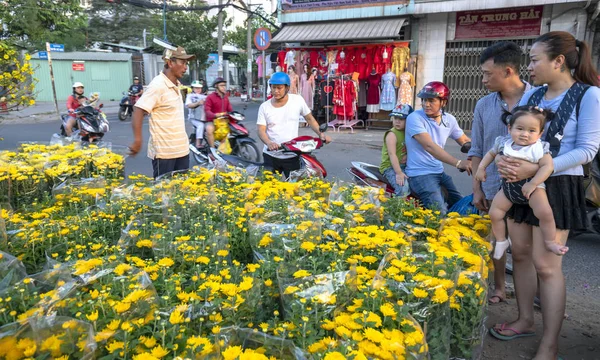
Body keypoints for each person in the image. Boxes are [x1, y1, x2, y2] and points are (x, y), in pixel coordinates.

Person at [490, 32, 600, 360]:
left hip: (559, 187)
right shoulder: (535, 93)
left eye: (536, 59)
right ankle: (524, 319)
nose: (530, 66)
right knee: (520, 255)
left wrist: (539, 171)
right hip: (520, 186)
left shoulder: (588, 95)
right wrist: (500, 158)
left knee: (547, 266)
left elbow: (588, 150)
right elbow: (514, 131)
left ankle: (550, 344)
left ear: (558, 61)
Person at [469, 41, 532, 305]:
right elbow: (476, 149)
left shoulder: (539, 99)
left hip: (531, 187)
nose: (483, 79)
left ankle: (533, 294)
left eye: (487, 73)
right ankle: (498, 287)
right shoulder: (484, 105)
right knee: (497, 241)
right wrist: (477, 188)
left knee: (527, 248)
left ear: (507, 71)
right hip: (493, 186)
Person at [476, 106, 569, 259]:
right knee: (494, 213)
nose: (525, 134)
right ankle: (501, 241)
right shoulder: (503, 143)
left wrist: (533, 184)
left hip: (533, 188)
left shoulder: (539, 148)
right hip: (508, 188)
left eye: (532, 131)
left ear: (540, 133)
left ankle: (551, 241)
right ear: (509, 128)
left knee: (545, 213)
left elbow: (548, 166)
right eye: (519, 129)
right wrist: (481, 168)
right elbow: (491, 153)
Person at [404, 81, 472, 215]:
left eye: (431, 100)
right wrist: (459, 163)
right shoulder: (415, 118)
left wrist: (482, 155)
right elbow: (430, 146)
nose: (425, 104)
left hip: (438, 172)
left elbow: (464, 140)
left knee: (461, 207)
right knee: (439, 213)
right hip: (420, 174)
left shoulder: (449, 120)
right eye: (423, 100)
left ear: (443, 102)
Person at [129, 46, 195, 179]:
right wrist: (138, 139)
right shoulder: (158, 85)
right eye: (182, 63)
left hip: (181, 150)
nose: (185, 67)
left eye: (186, 63)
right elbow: (138, 109)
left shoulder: (176, 83)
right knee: (163, 196)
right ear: (170, 63)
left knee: (181, 195)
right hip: (164, 154)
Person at [257, 72, 332, 178]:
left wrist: (321, 134)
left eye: (279, 88)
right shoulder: (264, 107)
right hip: (271, 155)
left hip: (292, 154)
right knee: (269, 190)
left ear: (287, 88)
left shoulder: (297, 100)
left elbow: (309, 119)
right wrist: (269, 143)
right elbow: (261, 130)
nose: (276, 91)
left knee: (294, 189)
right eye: (273, 87)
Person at [380, 104, 413, 197]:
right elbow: (392, 154)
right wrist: (398, 173)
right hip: (390, 167)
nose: (397, 121)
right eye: (395, 118)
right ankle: (398, 209)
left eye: (401, 119)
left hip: (403, 165)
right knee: (403, 188)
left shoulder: (408, 132)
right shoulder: (392, 134)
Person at [204, 77, 232, 148]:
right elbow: (207, 111)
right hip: (212, 120)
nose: (224, 87)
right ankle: (212, 150)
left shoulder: (225, 97)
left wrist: (234, 115)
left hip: (223, 120)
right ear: (216, 86)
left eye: (224, 85)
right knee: (209, 130)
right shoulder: (210, 97)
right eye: (221, 85)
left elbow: (230, 109)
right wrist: (215, 115)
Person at [185, 80, 207, 148]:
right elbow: (188, 105)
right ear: (192, 88)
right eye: (196, 88)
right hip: (194, 118)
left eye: (199, 88)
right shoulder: (190, 96)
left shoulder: (204, 96)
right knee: (201, 125)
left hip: (203, 117)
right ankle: (198, 143)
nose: (198, 89)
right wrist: (197, 103)